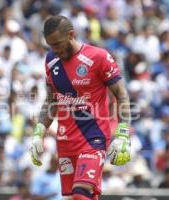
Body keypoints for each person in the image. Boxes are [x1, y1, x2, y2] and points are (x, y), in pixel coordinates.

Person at [29, 15, 131, 200]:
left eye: (58, 44)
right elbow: (52, 101)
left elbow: (121, 94)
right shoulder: (51, 60)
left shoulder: (98, 57)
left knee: (80, 193)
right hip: (66, 141)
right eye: (51, 45)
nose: (55, 49)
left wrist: (123, 132)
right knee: (84, 196)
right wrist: (39, 132)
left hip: (93, 138)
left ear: (71, 35)